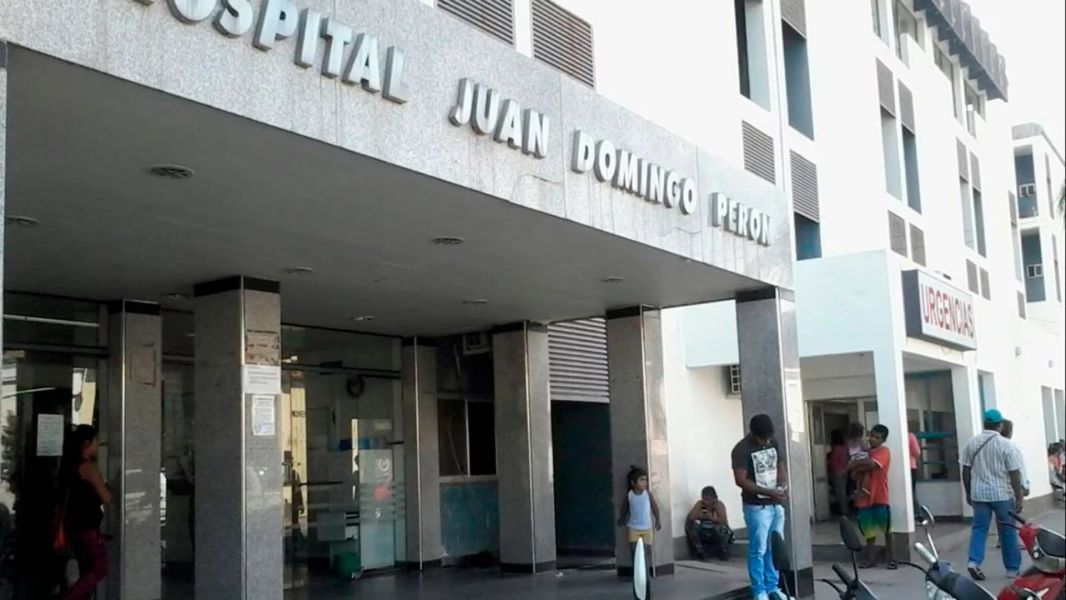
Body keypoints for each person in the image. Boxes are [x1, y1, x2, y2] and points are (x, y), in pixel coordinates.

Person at [961, 409, 1025, 581]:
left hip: (979, 495)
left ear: (984, 424)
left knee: (979, 528)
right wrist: (1019, 498)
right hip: (1002, 494)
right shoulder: (1006, 445)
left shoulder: (972, 443)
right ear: (1000, 425)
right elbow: (1014, 473)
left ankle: (974, 561)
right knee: (1007, 530)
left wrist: (968, 492)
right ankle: (1012, 568)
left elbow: (965, 470)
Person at [732, 414, 788, 600]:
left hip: (775, 504)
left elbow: (780, 465)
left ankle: (773, 587)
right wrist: (767, 492)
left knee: (774, 547)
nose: (767, 441)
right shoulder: (741, 449)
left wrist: (782, 485)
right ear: (754, 434)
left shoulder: (773, 441)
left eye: (769, 437)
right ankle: (759, 590)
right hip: (757, 507)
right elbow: (740, 480)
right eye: (763, 438)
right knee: (758, 550)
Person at [59, 425, 111, 600]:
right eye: (96, 441)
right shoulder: (88, 467)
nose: (98, 445)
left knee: (86, 569)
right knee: (98, 569)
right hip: (87, 527)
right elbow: (106, 497)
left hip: (73, 526)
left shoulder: (70, 466)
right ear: (86, 444)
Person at [848, 424, 895, 569]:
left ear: (883, 440)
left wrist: (856, 464)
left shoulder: (884, 452)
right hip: (863, 499)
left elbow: (870, 464)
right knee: (868, 533)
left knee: (887, 530)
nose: (872, 439)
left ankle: (892, 559)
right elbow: (850, 469)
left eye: (877, 437)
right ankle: (870, 559)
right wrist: (857, 465)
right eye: (871, 436)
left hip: (880, 497)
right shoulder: (864, 451)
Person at [617, 466, 661, 575]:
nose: (645, 482)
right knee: (635, 552)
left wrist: (658, 520)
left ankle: (646, 574)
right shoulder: (629, 495)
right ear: (633, 482)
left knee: (647, 552)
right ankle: (637, 574)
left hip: (647, 528)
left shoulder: (647, 494)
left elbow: (655, 507)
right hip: (634, 528)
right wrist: (622, 518)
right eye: (641, 480)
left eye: (646, 480)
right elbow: (624, 508)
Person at [684, 486, 733, 560]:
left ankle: (723, 551)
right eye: (704, 499)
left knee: (723, 528)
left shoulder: (718, 505)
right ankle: (700, 551)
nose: (706, 502)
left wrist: (711, 517)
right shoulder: (700, 504)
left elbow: (723, 520)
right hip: (704, 530)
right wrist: (703, 516)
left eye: (708, 499)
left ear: (714, 498)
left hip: (715, 532)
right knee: (690, 525)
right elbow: (691, 517)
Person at [827, 430, 850, 517]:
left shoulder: (835, 447)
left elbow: (833, 461)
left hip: (837, 471)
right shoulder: (845, 446)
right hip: (845, 470)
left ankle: (843, 510)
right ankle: (845, 508)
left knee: (839, 491)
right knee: (843, 490)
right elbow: (848, 457)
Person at [846, 423, 870, 500]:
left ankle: (857, 489)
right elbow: (866, 449)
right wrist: (870, 449)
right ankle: (862, 488)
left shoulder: (848, 442)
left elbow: (848, 453)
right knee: (862, 475)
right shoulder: (860, 441)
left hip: (853, 459)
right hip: (861, 458)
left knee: (856, 475)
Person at [908, 429, 922, 518]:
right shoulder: (910, 436)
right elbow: (917, 453)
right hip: (911, 467)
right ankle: (917, 514)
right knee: (911, 492)